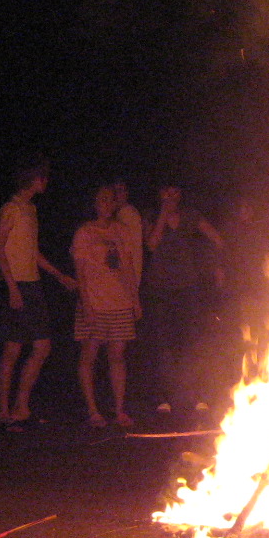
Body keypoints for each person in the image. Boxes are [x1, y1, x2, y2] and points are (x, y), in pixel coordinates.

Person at [0, 157, 77, 428]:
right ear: (33, 179)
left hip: (33, 284)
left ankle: (21, 407)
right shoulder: (11, 209)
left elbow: (32, 252)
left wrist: (58, 275)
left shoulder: (30, 209)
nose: (46, 182)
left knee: (42, 347)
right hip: (15, 284)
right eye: (43, 177)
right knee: (13, 349)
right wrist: (11, 288)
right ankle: (3, 412)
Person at [143, 184, 227, 414]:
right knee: (163, 345)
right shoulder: (151, 215)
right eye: (166, 192)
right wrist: (163, 213)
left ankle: (195, 395)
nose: (170, 196)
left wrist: (214, 264)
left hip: (187, 287)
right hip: (159, 289)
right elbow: (151, 244)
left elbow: (217, 239)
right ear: (159, 193)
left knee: (190, 343)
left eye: (175, 192)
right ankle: (164, 397)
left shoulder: (191, 215)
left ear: (181, 194)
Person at [72, 183, 140, 427]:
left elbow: (128, 267)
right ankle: (92, 410)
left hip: (120, 302)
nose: (108, 204)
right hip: (95, 302)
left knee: (118, 356)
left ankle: (119, 409)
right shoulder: (85, 232)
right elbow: (80, 272)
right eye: (102, 199)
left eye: (111, 199)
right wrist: (86, 304)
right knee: (89, 356)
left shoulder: (121, 230)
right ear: (94, 203)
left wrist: (135, 299)